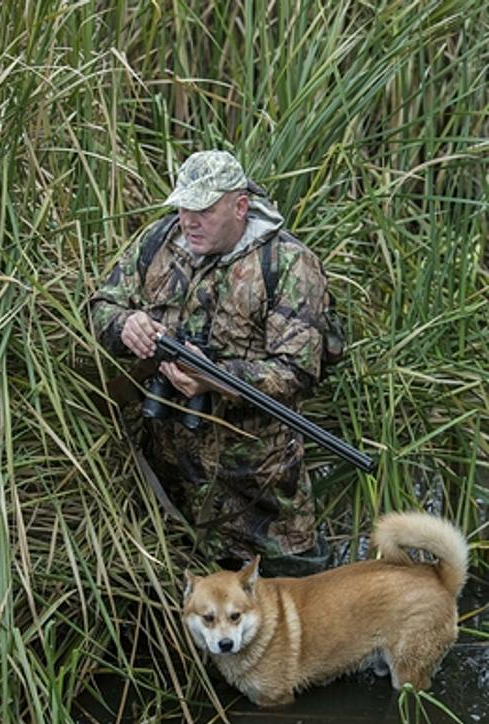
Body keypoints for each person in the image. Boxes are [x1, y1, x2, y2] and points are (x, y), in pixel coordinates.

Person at [90, 150, 332, 575]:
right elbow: (99, 307)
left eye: (203, 209)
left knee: (304, 611)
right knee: (182, 612)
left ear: (240, 207)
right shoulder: (158, 242)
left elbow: (297, 372)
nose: (189, 220)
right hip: (168, 483)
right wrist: (126, 324)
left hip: (259, 490)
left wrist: (217, 379)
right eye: (183, 207)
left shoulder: (289, 264)